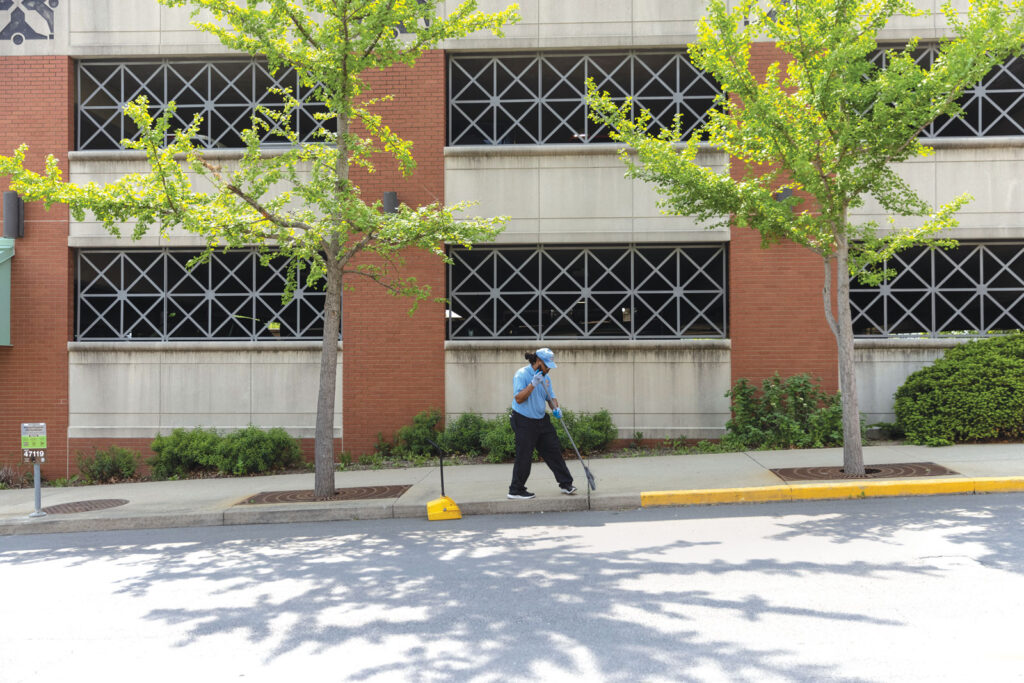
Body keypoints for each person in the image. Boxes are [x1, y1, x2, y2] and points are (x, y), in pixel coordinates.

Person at [507, 347, 577, 500]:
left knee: (553, 451)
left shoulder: (546, 378)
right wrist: (532, 384)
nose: (548, 370)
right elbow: (518, 398)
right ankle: (516, 490)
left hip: (541, 419)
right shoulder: (522, 374)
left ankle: (566, 484)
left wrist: (556, 408)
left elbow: (550, 397)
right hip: (523, 419)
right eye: (546, 366)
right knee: (524, 455)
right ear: (538, 361)